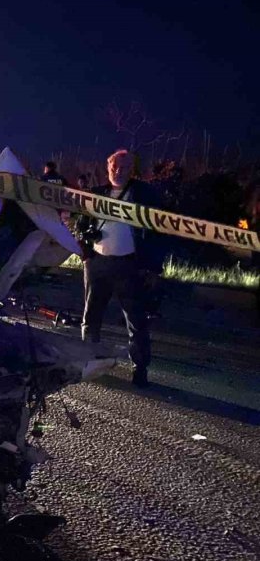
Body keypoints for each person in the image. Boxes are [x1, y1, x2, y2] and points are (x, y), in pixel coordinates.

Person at [76, 149, 166, 387]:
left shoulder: (145, 195)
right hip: (97, 264)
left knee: (136, 321)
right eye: (115, 167)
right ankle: (90, 361)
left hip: (129, 266)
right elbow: (81, 224)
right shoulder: (96, 194)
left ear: (132, 170)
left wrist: (153, 267)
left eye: (124, 167)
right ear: (108, 168)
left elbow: (159, 232)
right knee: (91, 317)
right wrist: (85, 253)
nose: (118, 171)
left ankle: (140, 369)